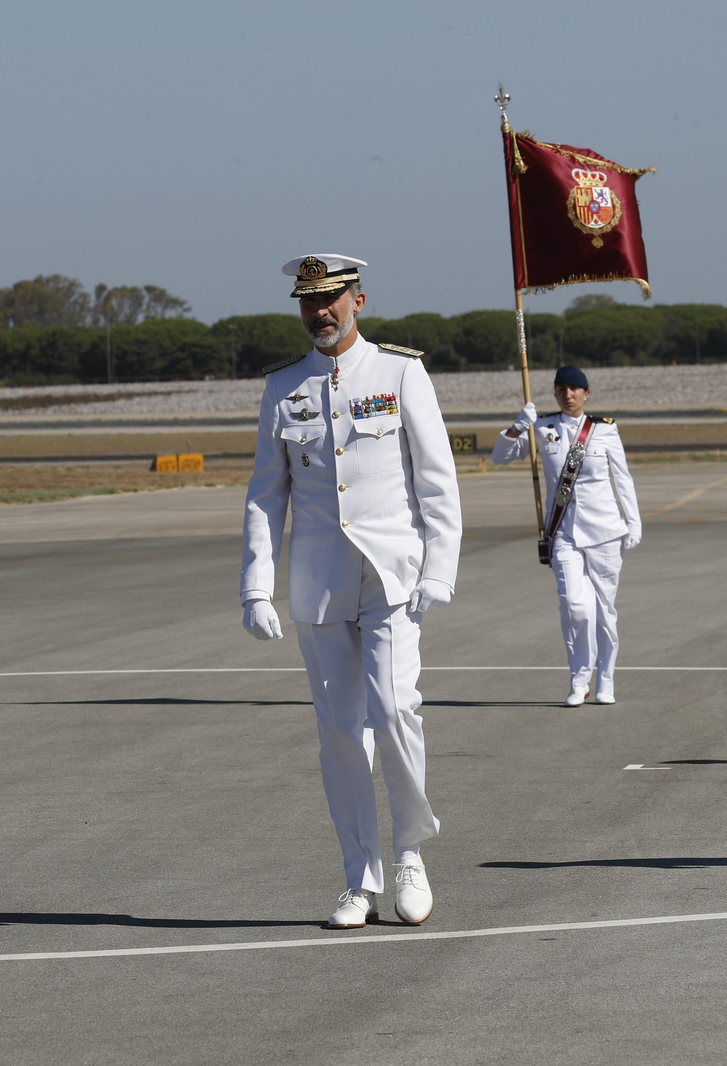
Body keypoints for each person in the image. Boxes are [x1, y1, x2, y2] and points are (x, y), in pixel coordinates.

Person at [239, 253, 462, 929]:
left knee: (395, 712)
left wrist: (439, 570)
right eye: (308, 302)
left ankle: (410, 856)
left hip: (391, 575)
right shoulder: (284, 387)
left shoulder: (400, 371)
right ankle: (359, 880)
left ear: (357, 301)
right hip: (318, 584)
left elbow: (437, 479)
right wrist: (256, 585)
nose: (320, 313)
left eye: (331, 299)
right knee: (340, 734)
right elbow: (263, 496)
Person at [491, 365, 641, 706]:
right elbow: (499, 457)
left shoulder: (604, 431)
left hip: (604, 533)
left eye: (574, 389)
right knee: (575, 606)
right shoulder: (543, 428)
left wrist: (634, 522)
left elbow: (623, 478)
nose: (567, 394)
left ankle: (606, 679)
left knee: (604, 610)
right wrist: (517, 427)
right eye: (561, 389)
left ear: (586, 394)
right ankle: (579, 678)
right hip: (564, 533)